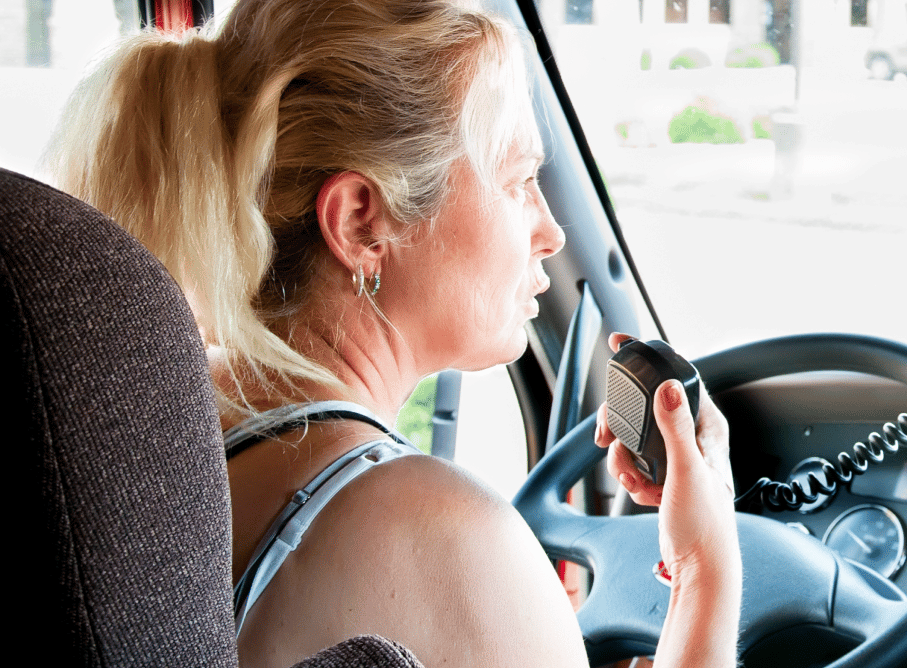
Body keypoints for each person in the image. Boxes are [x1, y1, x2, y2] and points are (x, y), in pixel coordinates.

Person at [46, 0, 740, 666]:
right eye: (518, 180)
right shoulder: (450, 544)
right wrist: (706, 572)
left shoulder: (163, 419)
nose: (551, 231)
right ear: (359, 222)